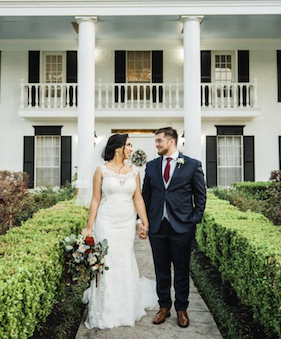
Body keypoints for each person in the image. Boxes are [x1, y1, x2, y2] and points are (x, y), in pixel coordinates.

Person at [78, 133, 157, 329]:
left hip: (126, 222)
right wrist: (89, 226)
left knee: (124, 259)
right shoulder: (101, 171)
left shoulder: (134, 171)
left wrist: (145, 223)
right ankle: (105, 310)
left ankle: (126, 307)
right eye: (128, 145)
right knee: (108, 261)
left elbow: (138, 198)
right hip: (106, 221)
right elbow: (95, 199)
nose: (131, 149)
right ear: (118, 148)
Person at [141, 127, 207, 328]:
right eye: (156, 141)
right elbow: (146, 195)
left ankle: (181, 309)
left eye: (159, 141)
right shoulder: (151, 166)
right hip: (157, 227)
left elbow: (200, 194)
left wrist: (194, 218)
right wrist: (144, 221)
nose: (157, 144)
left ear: (171, 142)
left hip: (182, 227)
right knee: (161, 269)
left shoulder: (192, 165)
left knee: (181, 269)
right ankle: (164, 307)